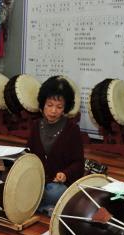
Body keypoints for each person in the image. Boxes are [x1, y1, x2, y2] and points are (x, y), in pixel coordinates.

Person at [25, 76, 84, 214]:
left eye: (59, 107)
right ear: (42, 105)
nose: (53, 111)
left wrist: (65, 174)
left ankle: (37, 206)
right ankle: (46, 208)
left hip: (57, 184)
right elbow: (28, 153)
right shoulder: (36, 125)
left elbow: (79, 163)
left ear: (65, 108)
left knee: (56, 193)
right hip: (38, 179)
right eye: (49, 105)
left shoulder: (72, 129)